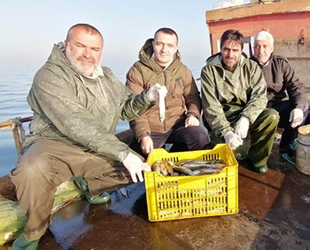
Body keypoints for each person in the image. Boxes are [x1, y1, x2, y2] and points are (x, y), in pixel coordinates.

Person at [9, 23, 165, 250]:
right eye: (80, 46)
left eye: (95, 49)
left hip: (95, 146)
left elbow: (125, 109)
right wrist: (122, 152)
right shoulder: (48, 76)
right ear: (66, 45)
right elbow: (78, 124)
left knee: (140, 170)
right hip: (54, 145)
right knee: (32, 169)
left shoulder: (107, 76)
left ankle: (90, 184)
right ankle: (33, 232)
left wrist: (147, 97)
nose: (87, 54)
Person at [200, 29, 279, 173]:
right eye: (226, 49)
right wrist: (226, 132)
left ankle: (258, 159)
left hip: (245, 114)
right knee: (224, 163)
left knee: (271, 116)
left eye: (235, 50)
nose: (230, 54)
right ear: (220, 49)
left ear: (241, 50)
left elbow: (260, 96)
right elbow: (211, 106)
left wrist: (246, 117)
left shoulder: (252, 67)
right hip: (222, 119)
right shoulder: (208, 71)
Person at [126, 27, 209, 158]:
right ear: (153, 44)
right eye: (160, 44)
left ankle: (176, 155)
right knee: (139, 156)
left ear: (176, 48)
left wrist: (193, 114)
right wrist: (143, 135)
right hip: (151, 128)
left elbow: (192, 97)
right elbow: (134, 107)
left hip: (177, 124)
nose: (164, 50)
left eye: (170, 45)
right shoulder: (137, 71)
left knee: (201, 138)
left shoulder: (183, 70)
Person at [251, 30, 309, 160]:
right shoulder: (247, 66)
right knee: (271, 116)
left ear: (272, 48)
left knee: (305, 110)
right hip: (257, 110)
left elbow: (296, 87)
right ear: (253, 48)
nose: (261, 51)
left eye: (265, 46)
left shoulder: (280, 64)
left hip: (277, 105)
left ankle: (287, 144)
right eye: (257, 46)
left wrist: (298, 108)